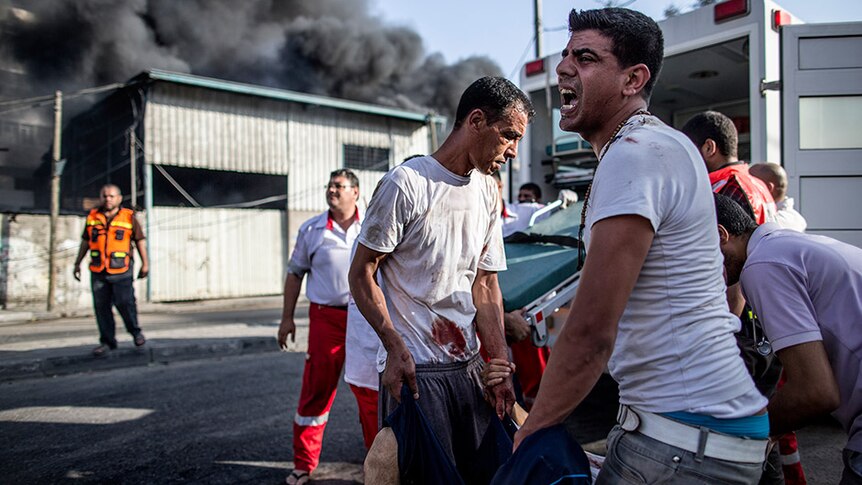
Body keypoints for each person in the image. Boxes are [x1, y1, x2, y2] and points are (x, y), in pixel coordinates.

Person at [509, 8, 769, 483]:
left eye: (584, 57)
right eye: (565, 54)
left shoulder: (635, 155)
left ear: (633, 79)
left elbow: (591, 334)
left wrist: (532, 431)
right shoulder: (660, 145)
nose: (563, 68)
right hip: (704, 429)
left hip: (685, 438)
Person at [349, 76, 534, 483]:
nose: (513, 152)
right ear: (476, 120)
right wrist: (393, 346)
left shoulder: (488, 191)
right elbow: (362, 273)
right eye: (508, 136)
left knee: (482, 473)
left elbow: (485, 284)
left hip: (468, 367)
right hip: (417, 371)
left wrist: (500, 363)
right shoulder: (407, 184)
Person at [713, 193, 862, 485]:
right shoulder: (786, 247)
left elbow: (815, 392)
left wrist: (744, 436)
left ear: (720, 236)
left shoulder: (763, 265)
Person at [277, 169, 366, 485]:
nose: (332, 190)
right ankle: (303, 463)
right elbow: (294, 274)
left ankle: (379, 461)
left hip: (364, 317)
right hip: (325, 318)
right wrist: (287, 318)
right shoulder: (311, 229)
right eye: (330, 185)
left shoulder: (371, 224)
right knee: (316, 390)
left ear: (355, 191)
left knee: (370, 391)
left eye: (339, 186)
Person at [73, 184, 149, 357]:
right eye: (105, 196)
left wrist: (145, 264)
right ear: (101, 198)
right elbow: (85, 241)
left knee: (125, 302)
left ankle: (136, 332)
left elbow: (140, 241)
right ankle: (107, 342)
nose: (108, 199)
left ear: (119, 198)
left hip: (122, 269)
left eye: (112, 196)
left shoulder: (128, 217)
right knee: (101, 307)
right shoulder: (93, 217)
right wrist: (77, 263)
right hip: (99, 269)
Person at [681, 110, 776, 224]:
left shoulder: (730, 188)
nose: (686, 159)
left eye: (689, 150)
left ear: (709, 148)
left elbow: (728, 240)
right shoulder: (756, 183)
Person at [750, 162, 807, 232]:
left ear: (768, 187)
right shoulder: (798, 219)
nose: (746, 188)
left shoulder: (770, 221)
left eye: (751, 183)